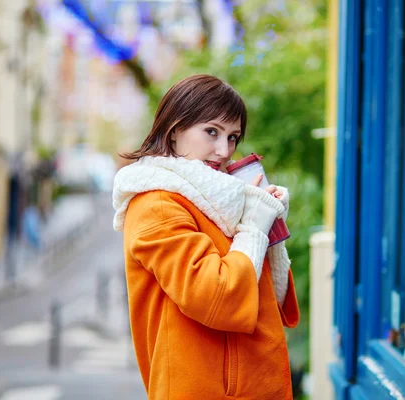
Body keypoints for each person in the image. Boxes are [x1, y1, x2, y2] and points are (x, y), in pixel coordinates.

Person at [112, 74, 300, 400]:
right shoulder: (156, 204)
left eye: (233, 137)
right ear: (174, 132)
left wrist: (267, 222)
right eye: (212, 132)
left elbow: (274, 300)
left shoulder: (222, 199)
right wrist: (253, 226)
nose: (223, 150)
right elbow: (219, 296)